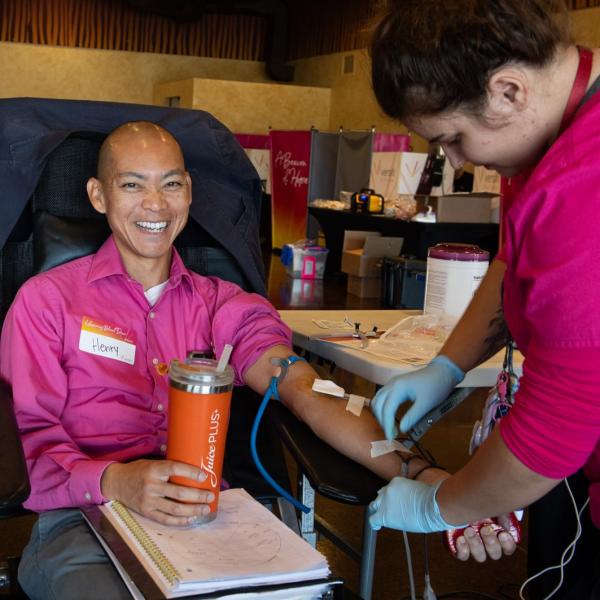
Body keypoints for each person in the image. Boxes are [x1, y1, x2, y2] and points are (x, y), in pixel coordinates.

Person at [0, 120, 454, 599]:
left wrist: (426, 478)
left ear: (188, 191)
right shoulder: (46, 303)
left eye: (170, 183)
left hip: (206, 515)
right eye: (132, 184)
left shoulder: (222, 305)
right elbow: (26, 439)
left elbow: (306, 391)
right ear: (98, 195)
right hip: (84, 520)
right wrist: (116, 479)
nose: (155, 204)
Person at [368, 0, 600, 596]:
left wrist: (439, 506)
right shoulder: (555, 123)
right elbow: (514, 258)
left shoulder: (584, 185)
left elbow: (561, 421)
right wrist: (448, 366)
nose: (457, 160)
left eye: (454, 138)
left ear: (508, 91)